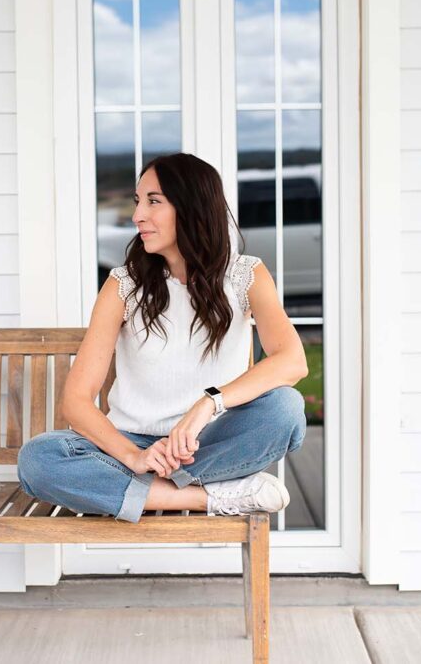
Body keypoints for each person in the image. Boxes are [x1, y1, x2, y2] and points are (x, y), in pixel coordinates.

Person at [17, 152, 309, 522]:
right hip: (131, 446)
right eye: (138, 201)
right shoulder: (123, 285)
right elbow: (76, 401)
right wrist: (133, 457)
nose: (138, 215)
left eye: (154, 201)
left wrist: (206, 406)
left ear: (192, 207)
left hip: (207, 443)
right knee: (38, 458)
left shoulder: (245, 275)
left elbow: (292, 361)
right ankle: (211, 498)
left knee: (285, 408)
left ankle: (139, 492)